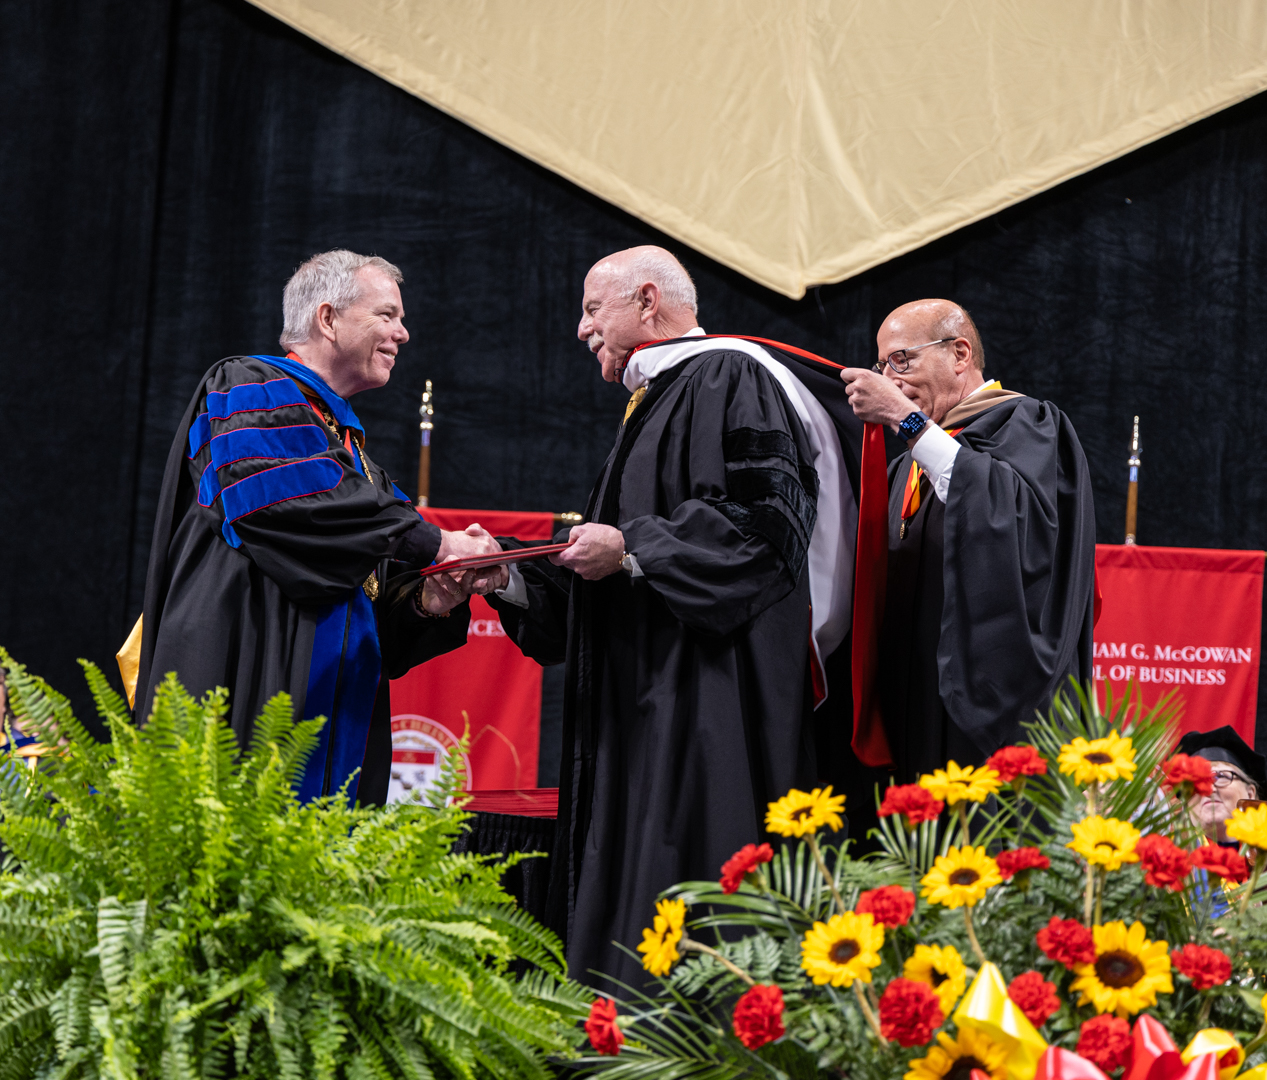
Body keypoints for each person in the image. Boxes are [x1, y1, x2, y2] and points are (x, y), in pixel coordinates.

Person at [482, 245, 859, 990]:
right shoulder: (660, 398)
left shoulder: (731, 375)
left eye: (593, 308)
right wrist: (509, 576)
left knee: (691, 875)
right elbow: (624, 576)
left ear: (647, 300)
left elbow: (766, 526)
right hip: (647, 695)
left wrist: (631, 548)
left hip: (709, 690)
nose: (581, 329)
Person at [134, 250, 502, 805]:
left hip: (327, 713)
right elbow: (290, 505)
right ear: (328, 319)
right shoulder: (248, 384)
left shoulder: (351, 457)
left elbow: (365, 593)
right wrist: (438, 542)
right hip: (248, 675)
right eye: (387, 315)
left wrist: (429, 597)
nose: (403, 333)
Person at [841, 300, 1096, 780]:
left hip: (995, 720)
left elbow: (1014, 528)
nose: (889, 380)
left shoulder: (1030, 425)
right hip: (913, 712)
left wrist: (908, 423)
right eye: (882, 366)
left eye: (902, 361)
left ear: (959, 353)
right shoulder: (905, 467)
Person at [1177, 726, 1265, 843]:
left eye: (1221, 776)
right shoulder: (1168, 858)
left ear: (1250, 793)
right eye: (1198, 781)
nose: (1209, 789)